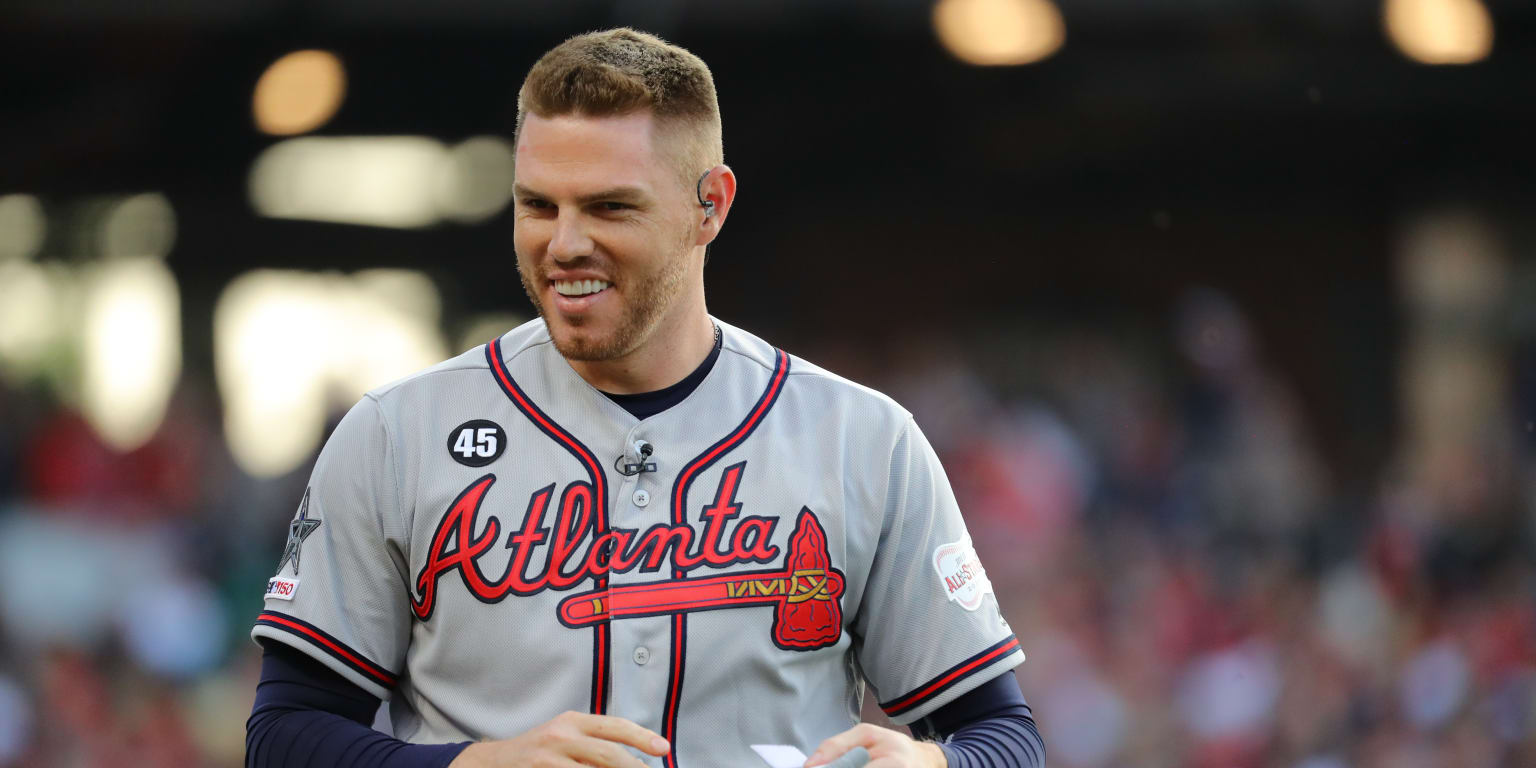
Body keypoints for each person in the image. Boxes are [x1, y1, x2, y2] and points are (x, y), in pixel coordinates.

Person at [246, 28, 1043, 768]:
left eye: (609, 206)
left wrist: (932, 762)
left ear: (711, 206)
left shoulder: (862, 439)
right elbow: (283, 736)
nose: (563, 244)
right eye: (537, 205)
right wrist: (469, 765)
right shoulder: (396, 434)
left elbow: (1003, 737)